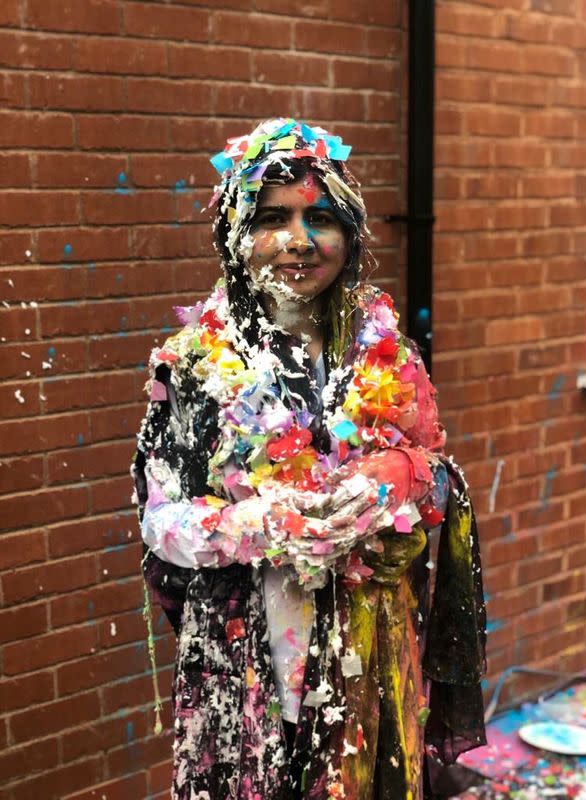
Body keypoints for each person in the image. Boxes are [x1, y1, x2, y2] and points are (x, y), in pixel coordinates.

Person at [133, 118, 487, 800]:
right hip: (248, 663)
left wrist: (401, 479)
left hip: (371, 661)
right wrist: (262, 525)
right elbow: (160, 520)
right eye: (272, 218)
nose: (298, 241)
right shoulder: (193, 368)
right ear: (236, 235)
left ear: (350, 235)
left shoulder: (390, 355)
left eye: (320, 217)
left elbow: (439, 478)